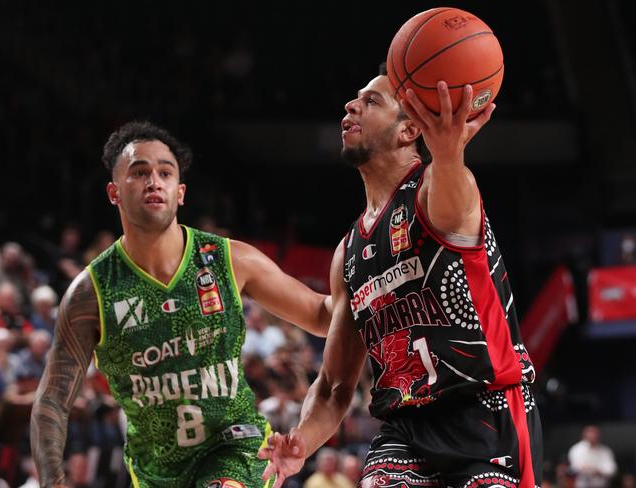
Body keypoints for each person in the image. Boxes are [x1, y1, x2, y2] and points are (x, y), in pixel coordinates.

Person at [259, 66, 542, 488]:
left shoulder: (438, 190)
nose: (351, 105)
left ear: (409, 129)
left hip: (483, 410)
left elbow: (451, 191)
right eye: (356, 98)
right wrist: (301, 441)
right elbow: (336, 385)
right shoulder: (347, 253)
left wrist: (447, 153)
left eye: (371, 101)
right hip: (403, 429)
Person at [30, 121, 332, 488]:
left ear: (181, 191)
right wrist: (52, 481)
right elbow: (52, 402)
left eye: (165, 172)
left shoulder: (229, 260)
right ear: (114, 193)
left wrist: (377, 289)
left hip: (236, 446)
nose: (154, 180)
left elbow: (321, 315)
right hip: (156, 471)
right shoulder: (91, 293)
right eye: (140, 172)